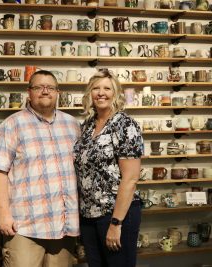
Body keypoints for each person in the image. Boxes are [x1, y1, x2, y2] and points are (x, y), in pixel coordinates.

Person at [0, 70, 80, 267]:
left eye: (50, 87)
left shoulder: (73, 125)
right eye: (38, 87)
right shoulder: (11, 125)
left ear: (58, 92)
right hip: (25, 227)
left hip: (64, 225)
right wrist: (3, 214)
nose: (45, 91)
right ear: (28, 92)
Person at [73, 70, 144, 267]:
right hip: (88, 214)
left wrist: (116, 223)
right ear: (90, 94)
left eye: (107, 88)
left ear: (116, 93)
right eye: (96, 88)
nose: (101, 93)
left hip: (115, 213)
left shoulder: (125, 125)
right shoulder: (87, 126)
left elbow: (130, 178)